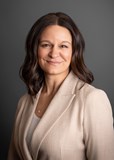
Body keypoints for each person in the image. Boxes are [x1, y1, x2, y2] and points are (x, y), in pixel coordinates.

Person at [8, 12, 114, 160]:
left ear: (74, 51)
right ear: (35, 49)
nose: (54, 53)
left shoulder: (92, 99)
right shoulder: (24, 102)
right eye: (46, 45)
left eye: (63, 46)